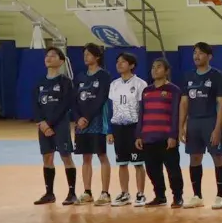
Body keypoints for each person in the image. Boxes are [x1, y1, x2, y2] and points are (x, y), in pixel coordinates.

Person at [179, 42, 222, 210]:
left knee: (218, 157)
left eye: (200, 53)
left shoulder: (217, 76)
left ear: (209, 56)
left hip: (210, 121)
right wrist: (181, 126)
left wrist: (217, 128)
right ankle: (197, 196)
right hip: (193, 122)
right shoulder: (188, 76)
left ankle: (220, 196)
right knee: (194, 158)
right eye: (195, 53)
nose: (196, 56)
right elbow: (184, 103)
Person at [134, 58, 184, 207]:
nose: (155, 70)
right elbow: (141, 114)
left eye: (159, 67)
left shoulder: (173, 90)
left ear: (167, 71)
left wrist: (173, 135)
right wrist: (139, 135)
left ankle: (177, 197)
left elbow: (176, 114)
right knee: (152, 170)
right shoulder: (146, 91)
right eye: (153, 67)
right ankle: (160, 196)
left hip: (166, 138)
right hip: (148, 137)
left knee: (173, 170)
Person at [33, 47, 79, 206]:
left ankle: (72, 193)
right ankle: (49, 193)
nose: (49, 58)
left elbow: (65, 105)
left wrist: (49, 123)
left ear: (61, 61)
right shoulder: (40, 82)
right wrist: (41, 122)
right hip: (43, 126)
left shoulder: (65, 82)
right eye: (47, 55)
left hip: (59, 125)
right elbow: (36, 104)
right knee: (47, 157)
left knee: (66, 156)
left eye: (53, 56)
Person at [72, 43, 113, 206]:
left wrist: (87, 117)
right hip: (81, 124)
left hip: (97, 122)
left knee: (101, 155)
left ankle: (105, 192)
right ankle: (87, 192)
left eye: (89, 54)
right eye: (84, 54)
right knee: (85, 157)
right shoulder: (80, 76)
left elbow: (101, 98)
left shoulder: (104, 76)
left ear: (97, 57)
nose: (85, 57)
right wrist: (78, 118)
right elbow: (74, 100)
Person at [106, 52, 148, 207]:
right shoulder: (114, 84)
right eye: (117, 61)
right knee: (122, 162)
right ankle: (125, 193)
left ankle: (141, 194)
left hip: (134, 127)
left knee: (138, 162)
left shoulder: (140, 84)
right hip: (118, 127)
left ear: (131, 65)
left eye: (123, 62)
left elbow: (143, 109)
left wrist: (140, 132)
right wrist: (110, 130)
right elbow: (110, 108)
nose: (119, 64)